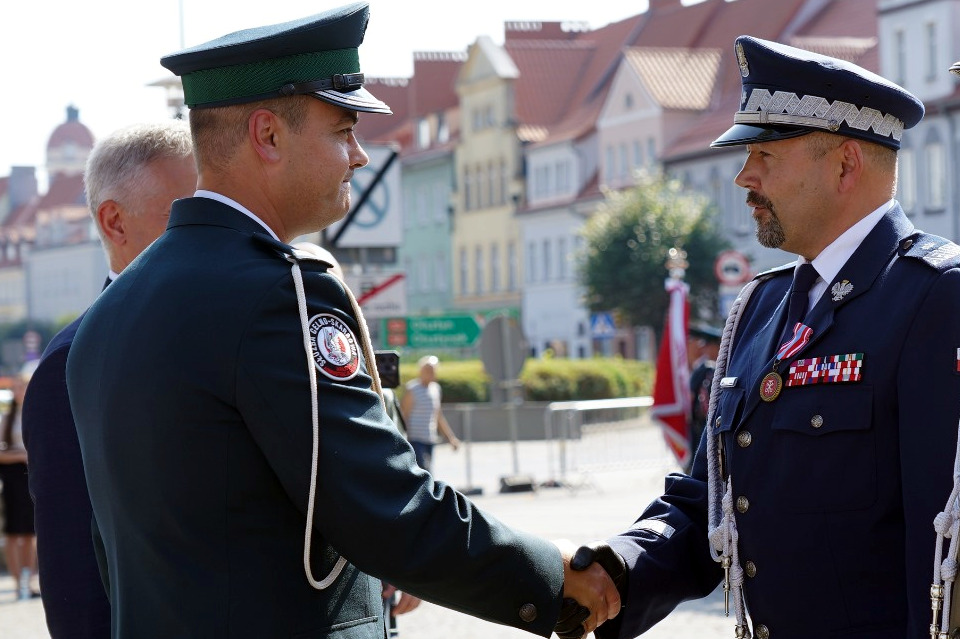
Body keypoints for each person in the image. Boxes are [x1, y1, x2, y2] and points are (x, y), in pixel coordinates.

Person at [65, 4, 619, 639]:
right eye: (341, 130)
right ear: (267, 136)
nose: (358, 156)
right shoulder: (279, 293)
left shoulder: (109, 313)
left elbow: (118, 558)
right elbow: (384, 504)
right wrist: (552, 576)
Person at [569, 35, 960, 639]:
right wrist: (618, 568)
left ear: (845, 163)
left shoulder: (934, 295)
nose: (743, 177)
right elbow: (708, 499)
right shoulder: (763, 304)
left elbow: (941, 546)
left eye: (766, 155)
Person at [20, 121, 197, 637]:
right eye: (185, 216)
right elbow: (75, 578)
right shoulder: (72, 363)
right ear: (115, 223)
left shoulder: (233, 331)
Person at [0, 361, 39, 600]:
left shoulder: (35, 414)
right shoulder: (7, 418)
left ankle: (28, 580)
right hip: (13, 478)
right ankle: (17, 583)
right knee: (15, 533)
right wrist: (20, 455)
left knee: (31, 534)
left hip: (31, 477)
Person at [400, 355, 461, 472]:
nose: (431, 373)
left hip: (430, 437)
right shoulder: (412, 389)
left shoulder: (436, 389)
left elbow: (438, 415)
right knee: (422, 470)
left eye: (433, 370)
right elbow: (404, 414)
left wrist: (450, 438)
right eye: (427, 370)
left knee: (429, 471)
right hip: (414, 438)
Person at [684, 324, 721, 473]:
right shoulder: (704, 369)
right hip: (701, 426)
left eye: (707, 346)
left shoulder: (708, 369)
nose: (704, 350)